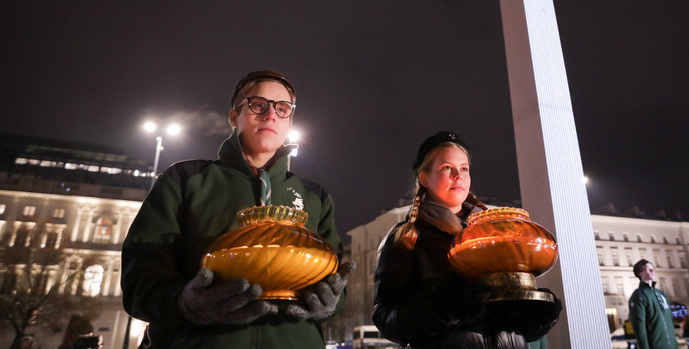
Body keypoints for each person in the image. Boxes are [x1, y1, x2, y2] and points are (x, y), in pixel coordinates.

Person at [121, 70, 355, 348]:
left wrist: (330, 303)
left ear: (290, 122)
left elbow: (334, 280)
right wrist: (184, 304)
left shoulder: (315, 196)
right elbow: (139, 280)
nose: (271, 115)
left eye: (282, 109)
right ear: (234, 116)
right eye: (258, 105)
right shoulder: (185, 181)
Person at [372, 131, 561, 349]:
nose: (458, 175)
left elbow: (508, 323)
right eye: (446, 168)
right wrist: (440, 306)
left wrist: (536, 317)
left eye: (464, 169)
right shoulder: (404, 238)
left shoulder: (497, 235)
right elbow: (386, 319)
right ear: (424, 178)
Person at [628, 259, 678, 349]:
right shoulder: (638, 296)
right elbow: (639, 328)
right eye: (648, 268)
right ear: (640, 273)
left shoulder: (662, 295)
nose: (652, 270)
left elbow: (669, 322)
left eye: (653, 268)